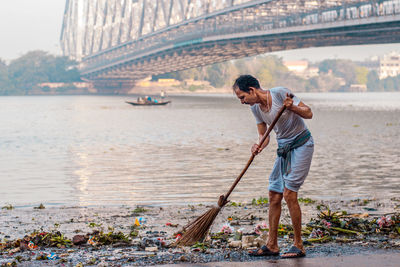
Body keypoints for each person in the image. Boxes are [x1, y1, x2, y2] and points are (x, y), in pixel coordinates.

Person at [232, 75, 314, 259]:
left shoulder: (278, 93)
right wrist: (258, 145)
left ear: (252, 90)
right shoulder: (255, 109)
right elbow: (264, 135)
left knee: (289, 194)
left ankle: (298, 245)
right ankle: (272, 245)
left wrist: (291, 107)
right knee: (274, 194)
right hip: (283, 148)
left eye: (242, 97)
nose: (242, 102)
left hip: (302, 144)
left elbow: (309, 113)